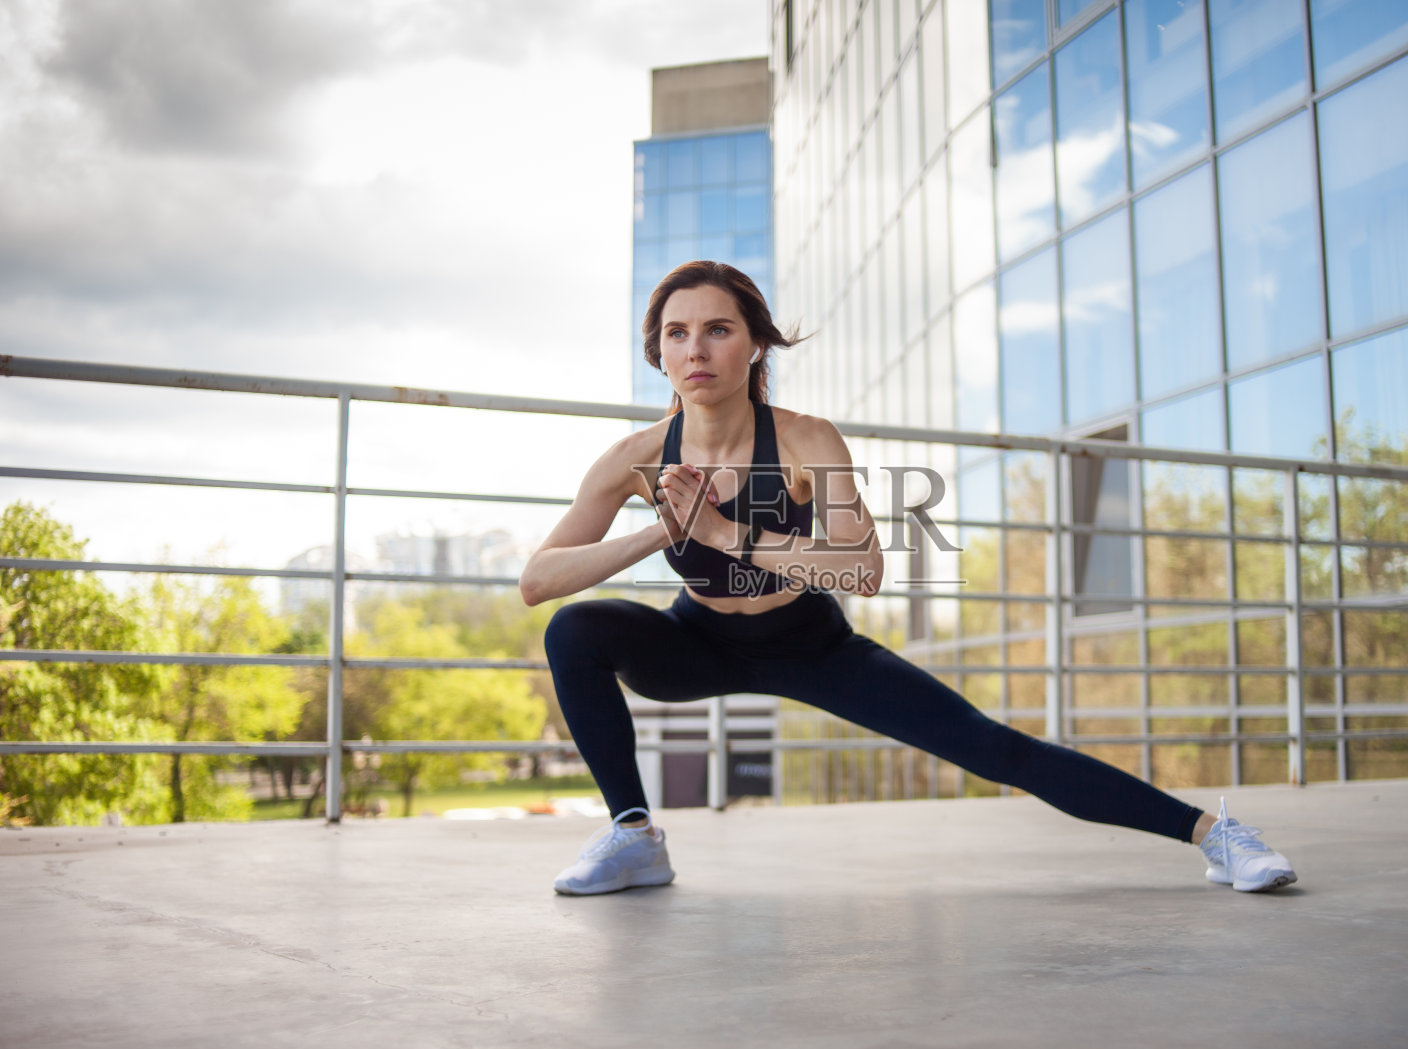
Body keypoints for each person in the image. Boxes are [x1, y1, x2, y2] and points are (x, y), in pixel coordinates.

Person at [520, 260, 1296, 897]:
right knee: (575, 628)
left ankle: (1215, 833)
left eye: (719, 329)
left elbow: (862, 568)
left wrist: (724, 533)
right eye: (677, 333)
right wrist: (662, 528)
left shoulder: (804, 439)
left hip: (810, 643)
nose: (697, 349)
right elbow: (539, 579)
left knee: (995, 749)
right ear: (657, 351)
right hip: (696, 640)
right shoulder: (637, 458)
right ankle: (634, 837)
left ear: (755, 344)